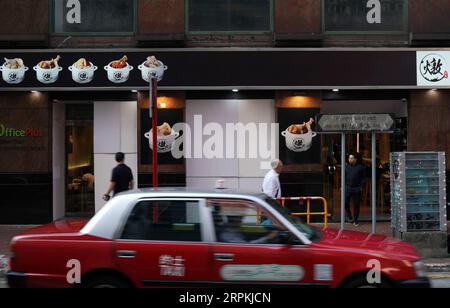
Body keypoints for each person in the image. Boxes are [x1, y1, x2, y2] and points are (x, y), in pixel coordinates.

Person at [345, 152, 366, 227]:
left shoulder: (361, 167)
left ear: (355, 159)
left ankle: (355, 220)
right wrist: (342, 186)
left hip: (356, 188)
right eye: (349, 158)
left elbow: (364, 178)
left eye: (351, 158)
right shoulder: (346, 167)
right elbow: (343, 177)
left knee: (356, 205)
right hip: (347, 187)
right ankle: (349, 216)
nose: (349, 160)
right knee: (345, 202)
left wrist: (361, 186)